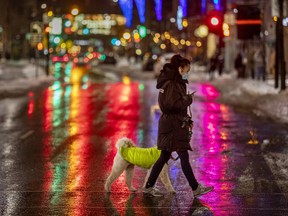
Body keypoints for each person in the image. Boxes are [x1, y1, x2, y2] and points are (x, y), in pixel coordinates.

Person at [143, 54, 214, 197]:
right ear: (180, 69)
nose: (188, 73)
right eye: (187, 70)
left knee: (164, 156)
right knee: (182, 156)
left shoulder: (173, 82)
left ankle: (148, 186)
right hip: (173, 126)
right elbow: (170, 106)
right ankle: (195, 188)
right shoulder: (172, 84)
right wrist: (188, 100)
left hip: (172, 124)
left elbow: (172, 104)